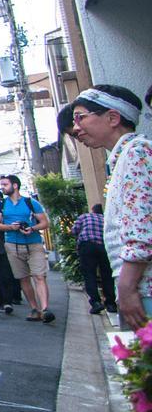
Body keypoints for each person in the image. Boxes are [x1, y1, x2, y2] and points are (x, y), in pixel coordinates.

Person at [67, 85, 152, 329]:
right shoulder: (125, 156)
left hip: (143, 287)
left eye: (80, 117)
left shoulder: (136, 153)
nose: (76, 128)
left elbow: (141, 231)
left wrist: (126, 288)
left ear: (113, 118)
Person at [0, 174, 53, 323]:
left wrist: (32, 228)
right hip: (12, 244)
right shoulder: (0, 205)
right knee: (23, 278)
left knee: (39, 276)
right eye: (1, 185)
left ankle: (45, 309)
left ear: (15, 185)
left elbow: (44, 223)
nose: (2, 187)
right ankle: (34, 308)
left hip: (34, 243)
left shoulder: (31, 203)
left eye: (5, 184)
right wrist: (10, 227)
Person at [73, 203, 116, 315]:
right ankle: (111, 304)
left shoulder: (85, 216)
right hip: (104, 247)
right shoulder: (106, 219)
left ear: (92, 210)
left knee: (89, 274)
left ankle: (96, 302)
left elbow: (75, 230)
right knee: (107, 274)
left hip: (87, 246)